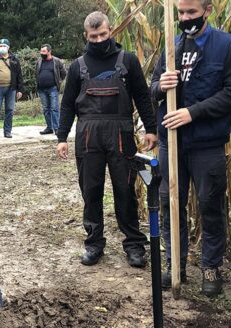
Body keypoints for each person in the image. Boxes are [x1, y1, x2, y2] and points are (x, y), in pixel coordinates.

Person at [150, 0, 231, 297]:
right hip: (171, 143)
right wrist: (160, 86)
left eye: (192, 12)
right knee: (169, 203)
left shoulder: (227, 46)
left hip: (206, 144)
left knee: (209, 204)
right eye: (181, 13)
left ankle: (211, 267)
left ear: (208, 10)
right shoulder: (172, 46)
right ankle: (173, 264)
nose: (186, 18)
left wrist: (192, 112)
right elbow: (152, 88)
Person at [56, 11, 157, 268]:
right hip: (88, 134)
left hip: (121, 133)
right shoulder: (78, 66)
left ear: (110, 31)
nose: (99, 40)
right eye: (93, 36)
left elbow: (143, 97)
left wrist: (151, 128)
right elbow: (67, 105)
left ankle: (134, 244)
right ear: (86, 36)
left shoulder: (129, 61)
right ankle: (94, 243)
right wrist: (62, 137)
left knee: (125, 190)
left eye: (103, 34)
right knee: (91, 191)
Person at [0, 38, 23, 138]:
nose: (2, 48)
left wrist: (20, 90)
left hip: (11, 89)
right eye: (0, 46)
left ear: (8, 47)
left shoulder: (14, 59)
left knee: (10, 110)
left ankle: (7, 131)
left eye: (4, 46)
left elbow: (19, 75)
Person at [37, 44, 67, 135]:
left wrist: (59, 82)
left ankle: (57, 128)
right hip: (42, 89)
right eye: (41, 51)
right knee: (46, 109)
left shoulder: (57, 61)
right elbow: (37, 73)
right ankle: (49, 128)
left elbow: (64, 73)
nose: (42, 53)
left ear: (49, 52)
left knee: (54, 108)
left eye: (44, 51)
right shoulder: (39, 61)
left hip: (53, 88)